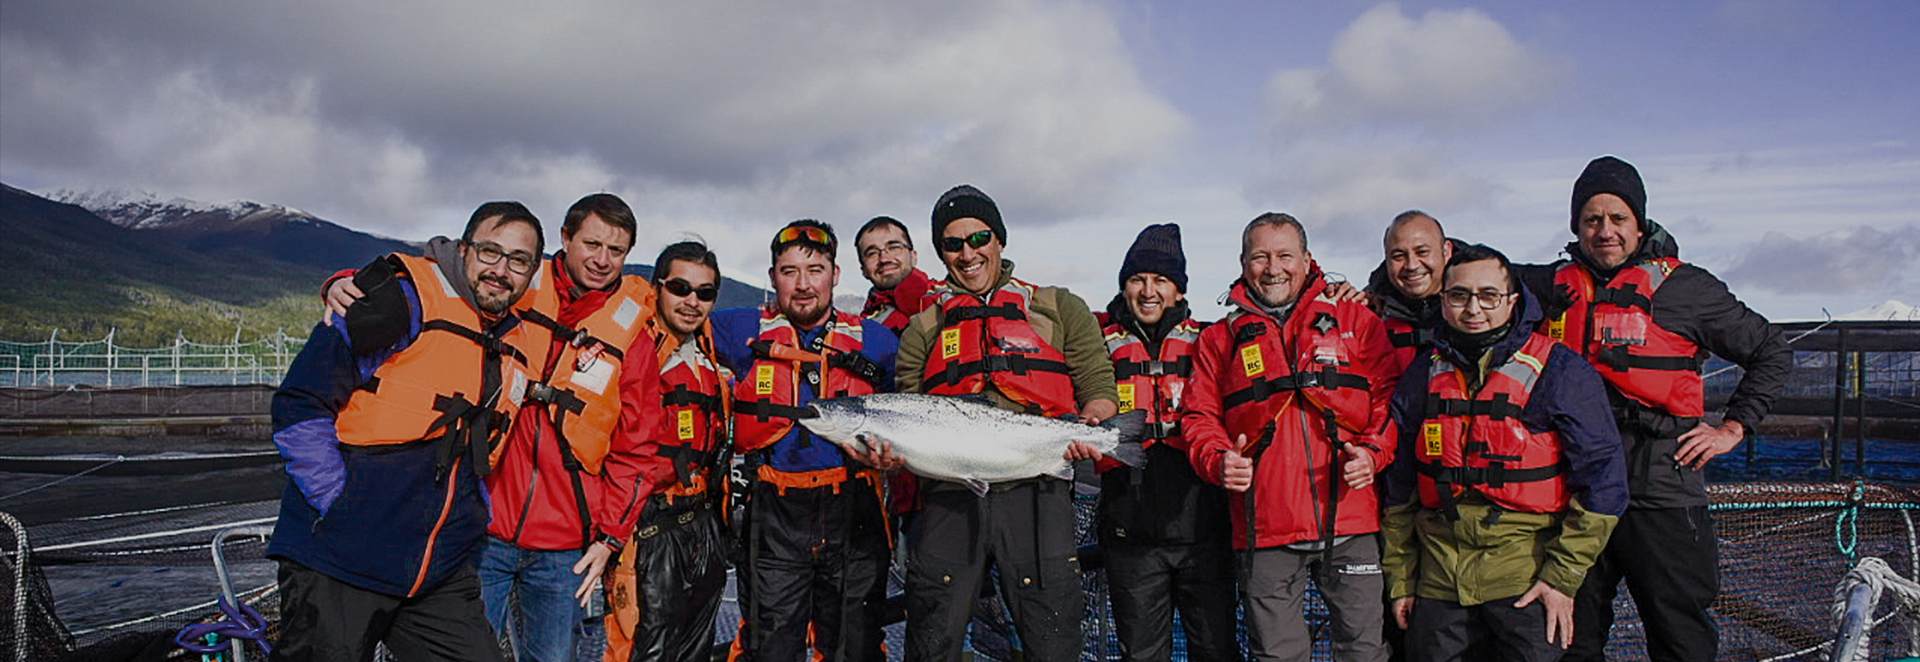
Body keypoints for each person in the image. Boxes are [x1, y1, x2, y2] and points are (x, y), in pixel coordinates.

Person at [320, 194, 665, 661]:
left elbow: (637, 449)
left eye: (617, 251)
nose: (602, 260)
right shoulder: (513, 281)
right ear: (565, 238)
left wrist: (608, 539)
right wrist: (346, 285)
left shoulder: (632, 339)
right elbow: (430, 283)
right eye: (592, 243)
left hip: (568, 546)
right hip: (482, 529)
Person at [1539, 157, 1792, 662]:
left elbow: (1771, 351)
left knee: (1680, 637)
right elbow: (1455, 274)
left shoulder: (1688, 289)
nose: (1604, 231)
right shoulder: (1548, 288)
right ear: (1577, 227)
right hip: (1578, 490)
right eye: (1591, 219)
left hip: (1663, 484)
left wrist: (1734, 427)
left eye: (1617, 219)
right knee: (1568, 638)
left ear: (1639, 224)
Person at [269, 202, 546, 661]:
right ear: (464, 250)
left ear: (532, 272)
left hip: (436, 573)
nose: (501, 270)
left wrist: (471, 518)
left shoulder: (514, 341)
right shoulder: (401, 300)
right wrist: (339, 502)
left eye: (519, 261)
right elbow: (300, 402)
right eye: (490, 252)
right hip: (341, 557)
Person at [894, 184, 1120, 660]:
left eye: (978, 238)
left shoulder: (1058, 308)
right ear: (941, 253)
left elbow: (1098, 384)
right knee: (932, 637)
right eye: (952, 245)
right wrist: (885, 451)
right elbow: (906, 411)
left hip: (1038, 489)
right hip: (950, 499)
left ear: (999, 239)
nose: (967, 253)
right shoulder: (923, 328)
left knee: (1052, 634)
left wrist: (1094, 422)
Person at [1381, 243, 1629, 661]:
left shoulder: (1561, 371)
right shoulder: (1422, 374)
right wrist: (1402, 580)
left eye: (1488, 295)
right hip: (1439, 582)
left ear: (1512, 301)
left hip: (1527, 581)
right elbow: (1399, 488)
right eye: (1459, 295)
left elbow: (1604, 481)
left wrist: (1561, 578)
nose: (1473, 308)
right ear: (1443, 301)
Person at [1181, 212, 1399, 662]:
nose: (1273, 267)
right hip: (1265, 526)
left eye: (1284, 255)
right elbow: (1198, 417)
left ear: (1307, 259)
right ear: (1243, 264)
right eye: (1260, 257)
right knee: (1277, 655)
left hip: (1351, 522)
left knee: (1363, 650)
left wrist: (1374, 455)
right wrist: (1218, 459)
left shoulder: (1358, 321)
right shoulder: (1218, 341)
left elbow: (1389, 402)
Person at [714, 220, 898, 661]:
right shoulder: (735, 328)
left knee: (856, 646)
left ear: (835, 275)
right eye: (789, 271)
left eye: (814, 270)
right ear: (772, 276)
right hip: (774, 512)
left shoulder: (879, 341)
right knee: (769, 646)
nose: (802, 285)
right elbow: (663, 312)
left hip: (853, 508)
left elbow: (913, 418)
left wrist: (898, 457)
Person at [1094, 223, 1239, 661]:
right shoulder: (1098, 344)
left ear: (1179, 290)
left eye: (1161, 280)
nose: (1148, 291)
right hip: (1129, 534)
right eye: (1137, 280)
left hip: (1205, 531)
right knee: (1141, 654)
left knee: (1216, 650)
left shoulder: (1212, 340)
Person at [603, 241, 733, 661]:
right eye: (680, 288)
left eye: (705, 292)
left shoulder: (708, 358)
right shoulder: (633, 350)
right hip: (648, 526)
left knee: (694, 649)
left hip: (702, 523)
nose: (692, 301)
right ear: (658, 287)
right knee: (641, 650)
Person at [1365, 211, 1462, 373]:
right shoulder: (1368, 311)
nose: (1411, 265)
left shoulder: (1483, 305)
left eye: (1422, 252)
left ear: (1446, 251)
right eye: (1398, 256)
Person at [857, 215, 936, 334]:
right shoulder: (862, 331)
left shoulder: (947, 298)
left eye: (894, 247)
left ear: (913, 256)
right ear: (864, 270)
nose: (884, 258)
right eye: (872, 253)